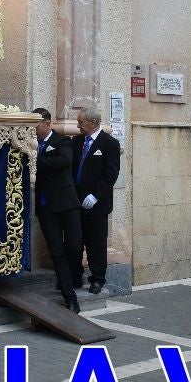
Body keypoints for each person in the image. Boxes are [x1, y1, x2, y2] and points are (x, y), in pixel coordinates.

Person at [32, 108, 82, 313]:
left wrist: (35, 161)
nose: (32, 131)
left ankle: (72, 278)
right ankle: (70, 297)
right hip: (45, 206)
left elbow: (63, 161)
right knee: (57, 251)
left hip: (66, 203)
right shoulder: (29, 145)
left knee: (74, 245)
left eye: (35, 126)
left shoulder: (63, 142)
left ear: (46, 123)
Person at [72, 105, 121, 295]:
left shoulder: (109, 143)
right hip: (76, 201)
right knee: (75, 241)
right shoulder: (76, 141)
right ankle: (75, 277)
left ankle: (97, 279)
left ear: (92, 123)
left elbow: (111, 174)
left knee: (96, 244)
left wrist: (96, 195)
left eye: (81, 122)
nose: (78, 126)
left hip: (96, 204)